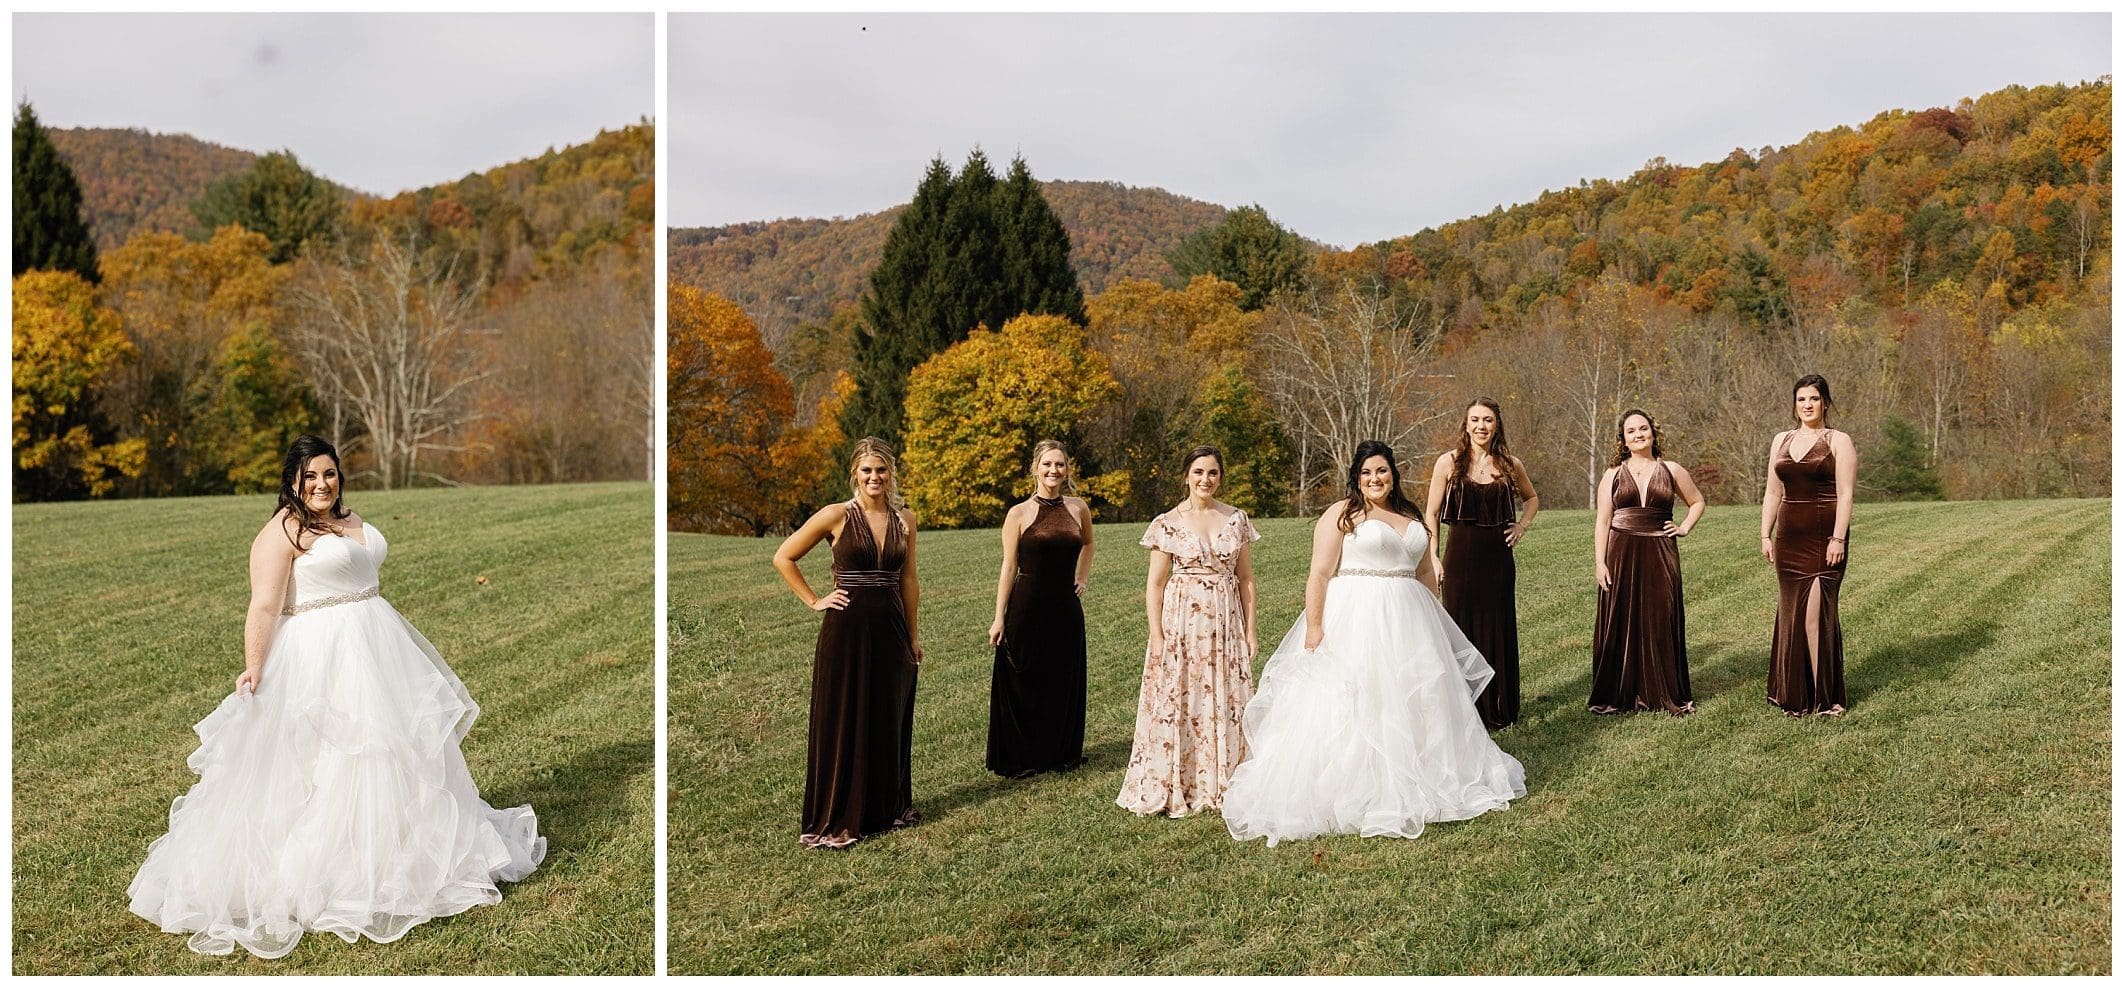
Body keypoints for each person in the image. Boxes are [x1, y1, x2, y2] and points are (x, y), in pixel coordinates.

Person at [128, 436, 545, 959]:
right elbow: (263, 607)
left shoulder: (349, 519)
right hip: (320, 653)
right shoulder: (283, 531)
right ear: (292, 482)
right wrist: (254, 669)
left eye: (329, 474)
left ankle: (402, 853)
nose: (321, 485)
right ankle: (331, 874)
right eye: (309, 477)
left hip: (377, 642)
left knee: (399, 755)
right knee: (334, 760)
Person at [1224, 440, 1525, 846]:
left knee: (1418, 699)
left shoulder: (1410, 514)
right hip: (1357, 615)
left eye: (1381, 471)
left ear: (1393, 474)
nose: (1374, 479)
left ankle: (1429, 775)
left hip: (1411, 618)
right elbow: (1318, 575)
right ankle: (1360, 785)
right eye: (1366, 473)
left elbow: (1421, 572)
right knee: (1360, 699)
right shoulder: (1343, 515)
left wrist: (1434, 624)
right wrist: (1315, 628)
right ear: (1356, 477)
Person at [772, 437, 923, 848]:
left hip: (891, 631)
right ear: (855, 473)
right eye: (867, 470)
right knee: (845, 718)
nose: (875, 477)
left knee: (887, 716)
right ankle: (839, 816)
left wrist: (913, 636)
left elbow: (908, 580)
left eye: (882, 470)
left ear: (892, 473)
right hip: (846, 632)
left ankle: (883, 809)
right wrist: (815, 600)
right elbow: (783, 557)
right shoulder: (836, 515)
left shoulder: (905, 519)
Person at [1117, 445, 1260, 817]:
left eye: (1212, 473)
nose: (1205, 480)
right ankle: (1179, 780)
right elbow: (1155, 584)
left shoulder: (1236, 519)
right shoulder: (1167, 523)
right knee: (1181, 697)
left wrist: (1251, 630)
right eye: (1198, 472)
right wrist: (1157, 634)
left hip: (1226, 623)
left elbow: (1245, 579)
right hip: (1181, 623)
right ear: (1186, 476)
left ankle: (1225, 779)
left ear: (1220, 477)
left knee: (1225, 697)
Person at [1425, 397, 1540, 729]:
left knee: (1497, 628)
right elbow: (1431, 513)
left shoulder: (1509, 464)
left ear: (1496, 425)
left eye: (1487, 420)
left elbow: (1532, 499)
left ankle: (1498, 709)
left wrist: (1522, 526)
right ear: (1465, 424)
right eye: (1474, 419)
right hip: (1459, 556)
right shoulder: (1447, 463)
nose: (1481, 426)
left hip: (1498, 560)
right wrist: (1433, 555)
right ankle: (1462, 711)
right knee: (1459, 629)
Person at [986, 440, 1095, 777]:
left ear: (1067, 470)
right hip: (1026, 604)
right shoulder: (1018, 514)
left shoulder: (1078, 509)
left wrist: (1082, 576)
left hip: (1065, 606)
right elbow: (1008, 566)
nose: (1053, 470)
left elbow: (1089, 544)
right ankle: (1023, 757)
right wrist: (998, 618)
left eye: (1059, 465)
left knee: (1063, 677)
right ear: (1035, 468)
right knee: (1026, 678)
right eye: (1047, 464)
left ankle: (1062, 753)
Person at [1589, 410, 1706, 716]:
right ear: (1623, 439)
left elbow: (1697, 501)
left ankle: (1662, 691)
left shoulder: (1671, 469)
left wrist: (1684, 527)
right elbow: (1602, 521)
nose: (1638, 434)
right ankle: (1619, 693)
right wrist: (1600, 562)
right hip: (1621, 551)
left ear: (1653, 433)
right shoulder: (1611, 474)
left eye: (1643, 429)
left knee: (1661, 616)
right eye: (1631, 431)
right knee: (1620, 617)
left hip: (1660, 549)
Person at [1761, 374, 1857, 716]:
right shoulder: (1781, 440)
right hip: (1789, 540)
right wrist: (1764, 534)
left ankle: (1823, 697)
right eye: (1801, 399)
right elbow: (1773, 492)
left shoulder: (1838, 440)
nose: (1807, 405)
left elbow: (1845, 493)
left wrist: (1838, 537)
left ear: (1825, 403)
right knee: (1792, 615)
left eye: (1814, 399)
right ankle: (1792, 692)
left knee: (1815, 616)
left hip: (1824, 539)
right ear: (1794, 404)